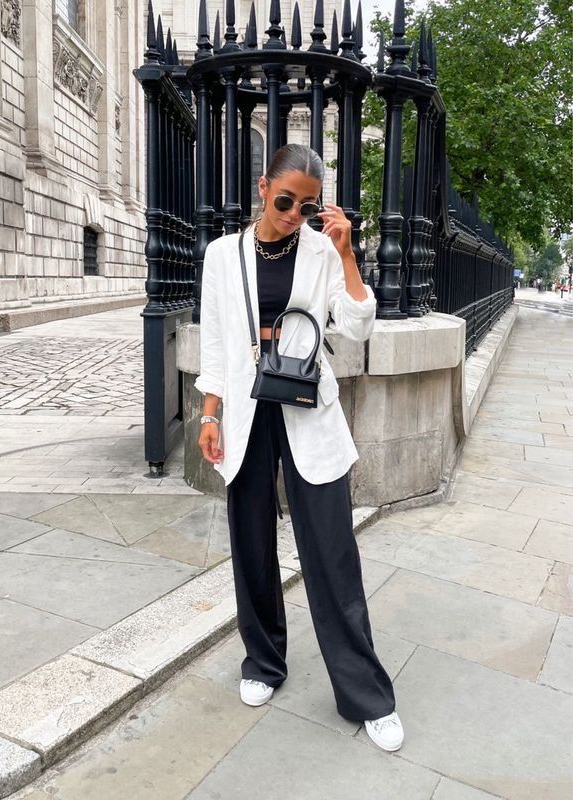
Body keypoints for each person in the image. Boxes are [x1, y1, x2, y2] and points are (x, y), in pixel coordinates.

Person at [195, 144, 404, 753]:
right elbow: (215, 344)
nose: (294, 214)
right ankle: (264, 662)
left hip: (307, 410)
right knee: (252, 547)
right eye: (285, 200)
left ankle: (367, 694)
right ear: (263, 188)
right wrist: (210, 414)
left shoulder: (320, 250)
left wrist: (345, 253)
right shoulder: (221, 254)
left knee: (333, 554)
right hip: (246, 411)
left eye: (307, 206)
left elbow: (358, 325)